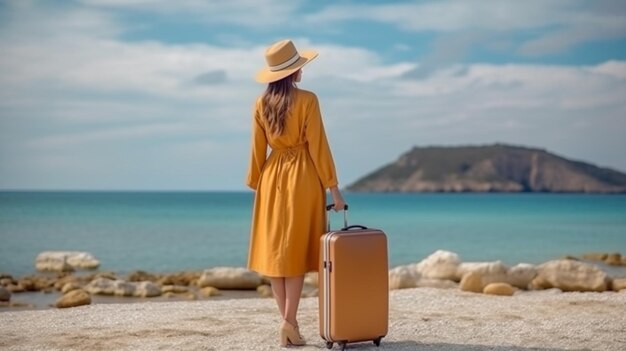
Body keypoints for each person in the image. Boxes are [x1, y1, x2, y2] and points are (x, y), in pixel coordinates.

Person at [246, 39, 346, 347]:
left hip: (271, 176)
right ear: (294, 72)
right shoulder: (308, 100)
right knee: (296, 252)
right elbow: (318, 145)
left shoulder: (260, 104)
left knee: (277, 255)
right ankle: (289, 322)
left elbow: (256, 150)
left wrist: (256, 183)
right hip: (303, 177)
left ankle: (288, 324)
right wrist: (334, 189)